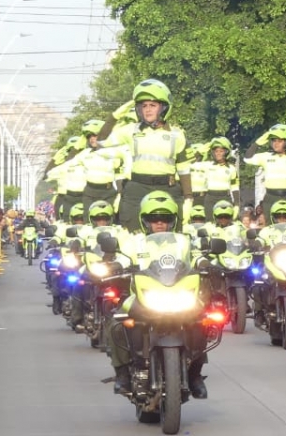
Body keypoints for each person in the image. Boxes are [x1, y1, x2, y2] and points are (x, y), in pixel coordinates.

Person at [107, 191, 210, 399]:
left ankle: (195, 374)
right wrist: (116, 265)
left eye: (164, 219)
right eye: (154, 219)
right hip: (142, 295)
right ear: (145, 221)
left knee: (202, 320)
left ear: (172, 221)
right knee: (117, 323)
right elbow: (123, 259)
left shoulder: (183, 241)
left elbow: (196, 257)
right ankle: (123, 374)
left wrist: (204, 263)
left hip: (179, 293)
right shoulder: (135, 242)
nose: (159, 223)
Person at [98, 79, 193, 232]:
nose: (147, 110)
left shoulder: (177, 134)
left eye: (153, 105)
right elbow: (101, 141)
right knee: (132, 233)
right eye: (144, 106)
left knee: (174, 234)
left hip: (168, 189)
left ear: (163, 108)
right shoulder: (131, 130)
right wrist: (114, 117)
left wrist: (188, 197)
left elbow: (184, 168)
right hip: (137, 189)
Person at [245, 124, 286, 223]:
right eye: (274, 140)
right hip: (270, 197)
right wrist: (258, 142)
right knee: (270, 227)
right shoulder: (266, 156)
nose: (276, 144)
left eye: (279, 141)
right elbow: (247, 158)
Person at [75, 119, 121, 222]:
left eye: (95, 135)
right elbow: (71, 158)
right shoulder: (84, 154)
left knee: (110, 220)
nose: (92, 139)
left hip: (108, 192)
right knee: (88, 221)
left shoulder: (113, 153)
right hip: (90, 192)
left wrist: (120, 193)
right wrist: (82, 138)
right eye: (89, 136)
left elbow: (120, 173)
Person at [198, 137, 238, 213]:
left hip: (225, 198)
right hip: (210, 198)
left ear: (226, 152)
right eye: (216, 151)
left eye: (221, 151)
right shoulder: (207, 165)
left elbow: (235, 187)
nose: (218, 153)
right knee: (209, 223)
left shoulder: (231, 168)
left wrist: (237, 204)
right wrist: (202, 150)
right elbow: (191, 162)